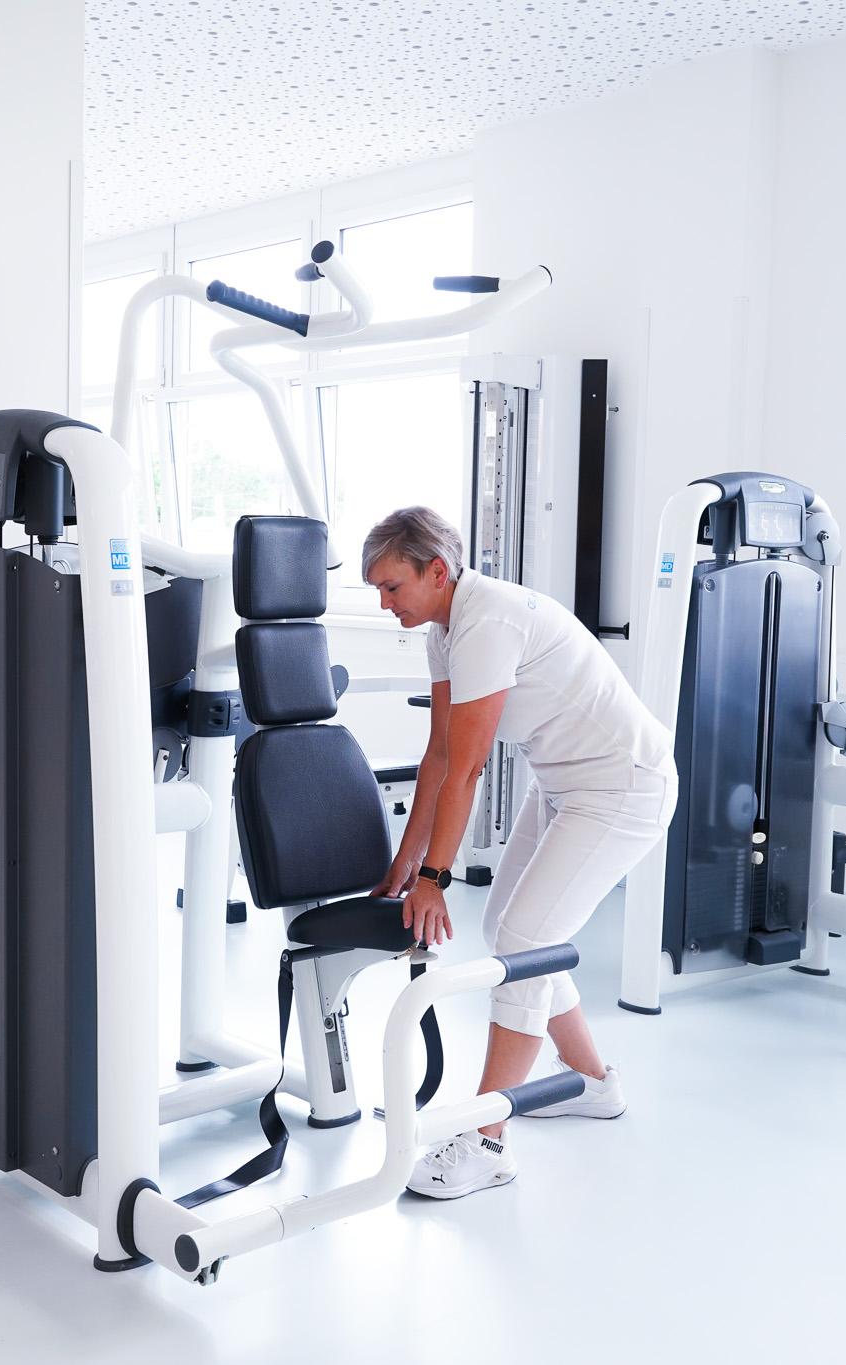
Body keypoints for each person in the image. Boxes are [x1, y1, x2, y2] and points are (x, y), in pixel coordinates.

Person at [360, 505, 677, 1200]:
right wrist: (407, 862)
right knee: (510, 929)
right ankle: (592, 1082)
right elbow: (439, 753)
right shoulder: (445, 628)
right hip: (563, 783)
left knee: (526, 940)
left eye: (391, 587)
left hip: (623, 785)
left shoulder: (489, 621)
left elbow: (469, 768)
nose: (385, 604)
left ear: (436, 571)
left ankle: (488, 1139)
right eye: (377, 591)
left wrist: (437, 876)